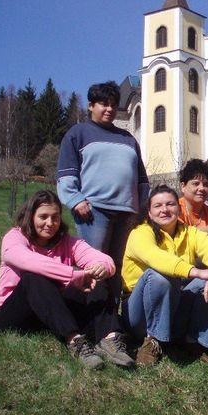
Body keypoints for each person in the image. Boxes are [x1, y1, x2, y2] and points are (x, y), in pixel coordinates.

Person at [0, 190, 134, 369]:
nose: (50, 223)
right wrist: (73, 275)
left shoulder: (67, 242)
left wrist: (100, 268)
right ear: (30, 216)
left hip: (50, 314)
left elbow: (103, 260)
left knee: (96, 279)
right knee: (33, 277)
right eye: (43, 217)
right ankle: (75, 342)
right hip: (11, 315)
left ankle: (110, 338)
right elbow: (29, 261)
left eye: (55, 217)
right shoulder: (15, 238)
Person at [121, 185, 208, 366]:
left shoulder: (190, 233)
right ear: (149, 213)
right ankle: (152, 341)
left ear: (179, 208)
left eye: (170, 204)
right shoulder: (140, 233)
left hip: (174, 304)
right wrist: (199, 272)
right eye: (158, 206)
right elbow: (157, 258)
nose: (165, 209)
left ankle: (195, 342)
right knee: (159, 276)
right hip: (140, 313)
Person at [57, 81, 149, 300]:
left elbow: (142, 180)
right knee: (96, 264)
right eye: (103, 104)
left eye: (113, 105)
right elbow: (66, 172)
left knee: (117, 266)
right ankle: (91, 317)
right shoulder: (78, 133)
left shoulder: (128, 139)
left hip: (127, 213)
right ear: (91, 106)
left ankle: (112, 319)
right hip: (93, 211)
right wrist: (76, 200)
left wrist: (141, 207)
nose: (109, 109)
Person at [177, 159, 208, 233]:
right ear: (183, 186)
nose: (202, 188)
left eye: (205, 184)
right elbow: (181, 233)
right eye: (196, 183)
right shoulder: (174, 209)